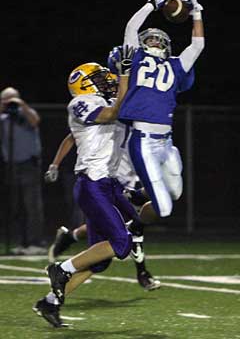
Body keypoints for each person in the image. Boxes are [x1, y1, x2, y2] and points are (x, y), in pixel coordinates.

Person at [33, 58, 146, 327]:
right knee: (122, 244)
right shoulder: (81, 103)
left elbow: (127, 106)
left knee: (99, 262)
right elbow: (110, 114)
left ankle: (49, 303)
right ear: (84, 84)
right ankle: (60, 269)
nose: (106, 79)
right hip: (93, 185)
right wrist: (124, 77)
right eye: (99, 77)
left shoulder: (108, 102)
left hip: (110, 185)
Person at [108, 0, 205, 220]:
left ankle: (135, 195)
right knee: (164, 209)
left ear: (167, 46)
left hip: (166, 141)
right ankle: (133, 219)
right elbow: (131, 27)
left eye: (158, 40)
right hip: (142, 140)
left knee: (176, 192)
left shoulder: (175, 65)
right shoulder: (135, 58)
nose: (154, 42)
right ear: (142, 44)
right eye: (149, 39)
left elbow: (198, 45)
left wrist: (197, 12)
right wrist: (152, 4)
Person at [45, 130, 161, 291]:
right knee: (118, 239)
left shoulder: (138, 127)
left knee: (114, 237)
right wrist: (55, 164)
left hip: (123, 186)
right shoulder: (109, 118)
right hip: (104, 186)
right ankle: (142, 272)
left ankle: (70, 239)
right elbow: (73, 136)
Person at [0, 86, 46, 254]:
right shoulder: (4, 118)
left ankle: (36, 243)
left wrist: (21, 105)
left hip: (29, 165)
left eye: (12, 99)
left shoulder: (26, 115)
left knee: (31, 205)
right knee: (16, 206)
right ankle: (21, 242)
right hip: (11, 165)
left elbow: (35, 121)